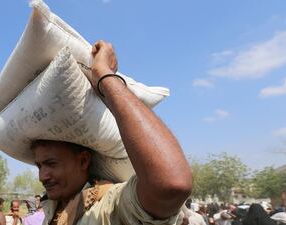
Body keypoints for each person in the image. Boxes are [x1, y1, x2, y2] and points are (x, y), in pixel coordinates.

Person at [31, 40, 193, 224]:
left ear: (83, 160)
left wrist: (104, 77)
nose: (42, 176)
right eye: (39, 166)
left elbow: (172, 184)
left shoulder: (109, 208)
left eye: (51, 163)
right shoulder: (52, 212)